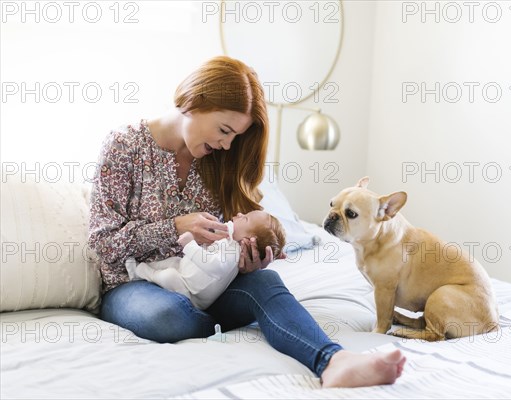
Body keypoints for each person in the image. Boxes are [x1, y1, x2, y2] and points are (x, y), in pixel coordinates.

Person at [88, 55, 406, 388]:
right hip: (137, 287)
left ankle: (335, 361)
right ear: (196, 100)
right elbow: (102, 242)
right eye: (224, 130)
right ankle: (226, 323)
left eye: (234, 137)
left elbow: (229, 239)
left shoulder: (218, 160)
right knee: (166, 315)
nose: (226, 144)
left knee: (265, 283)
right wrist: (176, 227)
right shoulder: (123, 147)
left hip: (208, 286)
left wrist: (243, 261)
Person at [125, 210, 285, 310]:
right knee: (172, 262)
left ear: (250, 239)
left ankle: (142, 271)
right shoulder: (229, 240)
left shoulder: (234, 251)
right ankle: (138, 271)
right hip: (184, 267)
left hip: (191, 292)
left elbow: (213, 267)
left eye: (246, 219)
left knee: (169, 276)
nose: (240, 214)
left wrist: (190, 245)